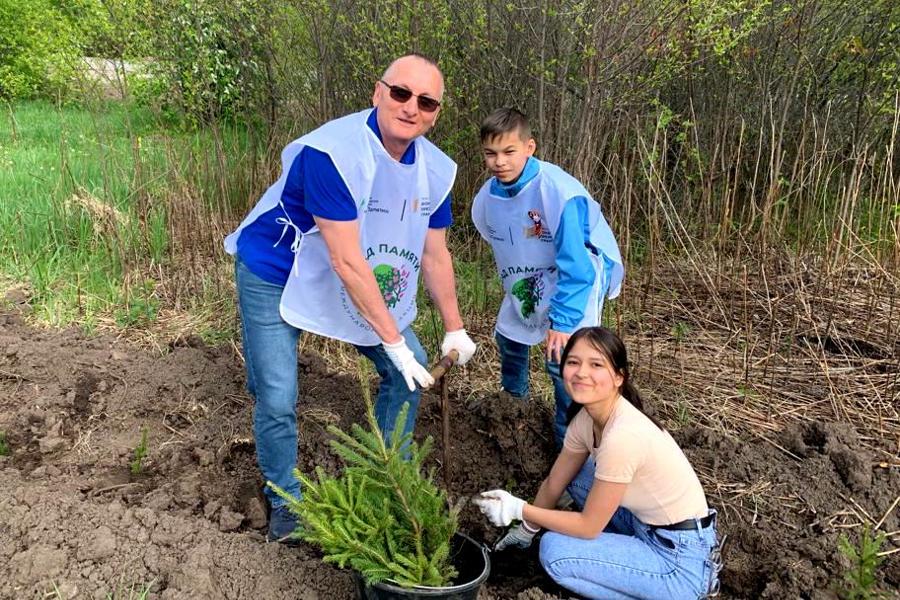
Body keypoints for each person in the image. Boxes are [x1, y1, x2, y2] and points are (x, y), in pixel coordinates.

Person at [224, 54, 477, 543]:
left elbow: (435, 253)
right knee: (277, 395)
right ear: (377, 92)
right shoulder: (334, 153)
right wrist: (393, 342)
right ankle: (283, 499)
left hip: (347, 269)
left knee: (411, 372)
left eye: (425, 101)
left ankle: (387, 475)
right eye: (400, 93)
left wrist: (454, 326)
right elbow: (346, 263)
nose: (411, 107)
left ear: (436, 113)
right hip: (277, 268)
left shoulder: (436, 171)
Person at [474, 327, 722, 599]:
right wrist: (526, 531)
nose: (581, 373)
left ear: (619, 376)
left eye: (596, 365)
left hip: (678, 559)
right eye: (573, 362)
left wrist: (520, 509)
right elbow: (555, 481)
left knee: (555, 552)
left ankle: (681, 590)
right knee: (578, 474)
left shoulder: (623, 437)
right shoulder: (586, 419)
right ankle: (620, 556)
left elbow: (588, 526)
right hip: (644, 524)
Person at [471, 108, 624, 448]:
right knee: (509, 338)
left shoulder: (557, 192)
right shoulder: (487, 197)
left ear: (529, 147)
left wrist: (563, 321)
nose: (500, 162)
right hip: (531, 275)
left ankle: (570, 442)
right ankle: (512, 411)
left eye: (509, 152)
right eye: (491, 153)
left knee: (563, 360)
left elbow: (579, 265)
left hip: (575, 278)